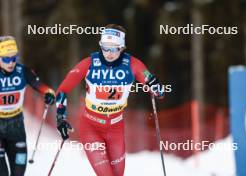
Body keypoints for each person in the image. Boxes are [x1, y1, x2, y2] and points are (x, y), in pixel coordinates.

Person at [55, 24, 164, 176]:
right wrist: (60, 117)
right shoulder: (89, 63)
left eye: (114, 49)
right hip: (91, 126)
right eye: (105, 47)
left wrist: (155, 85)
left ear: (122, 48)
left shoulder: (133, 65)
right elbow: (62, 90)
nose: (109, 53)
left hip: (115, 128)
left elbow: (160, 93)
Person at [0, 36, 56, 176]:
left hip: (16, 125)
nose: (11, 62)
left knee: (19, 169)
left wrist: (48, 92)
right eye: (6, 59)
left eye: (14, 58)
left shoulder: (22, 71)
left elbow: (38, 85)